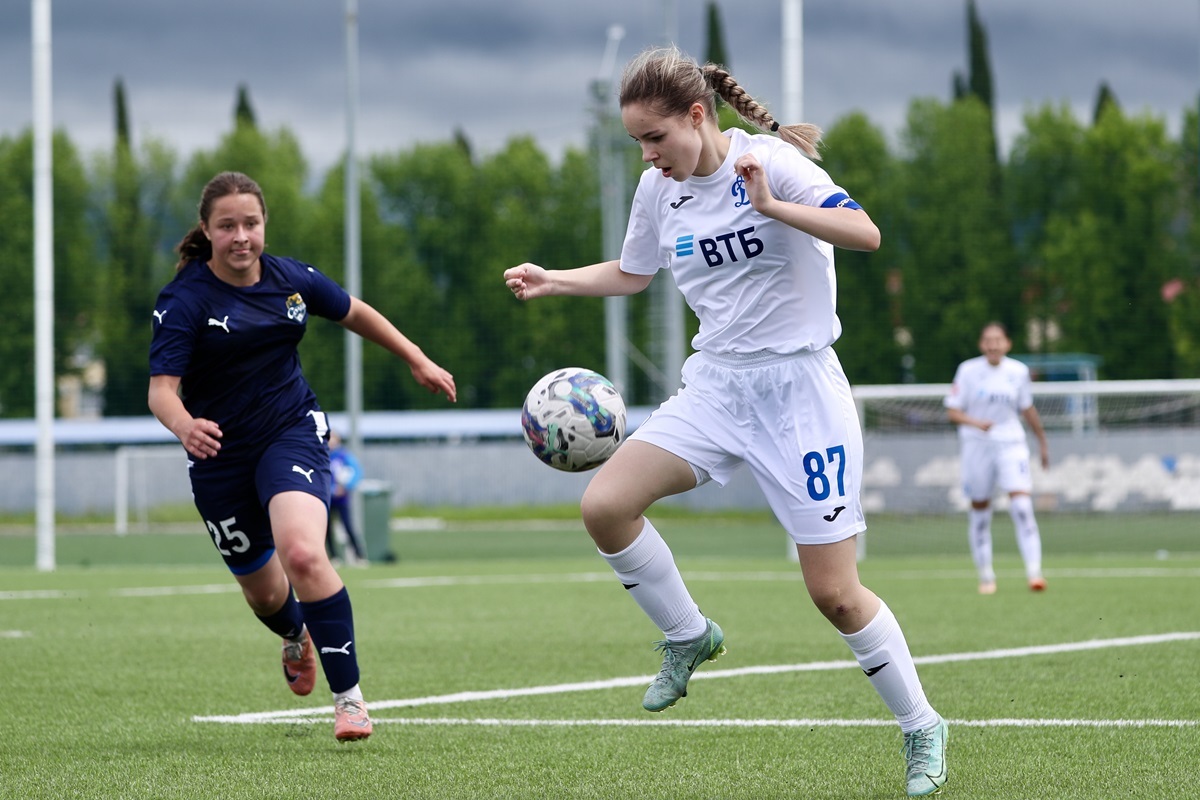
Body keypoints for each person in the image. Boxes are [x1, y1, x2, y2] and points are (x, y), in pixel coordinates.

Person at [503, 47, 947, 797]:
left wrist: (771, 205)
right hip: (717, 388)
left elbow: (865, 233)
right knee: (605, 505)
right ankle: (687, 635)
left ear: (698, 116)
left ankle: (922, 727)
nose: (648, 157)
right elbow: (635, 272)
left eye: (655, 138)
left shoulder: (770, 162)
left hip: (802, 392)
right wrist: (557, 280)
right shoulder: (659, 190)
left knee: (835, 593)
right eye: (637, 143)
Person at [148, 171, 456, 742]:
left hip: (291, 432)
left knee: (303, 555)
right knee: (264, 593)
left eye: (251, 223)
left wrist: (417, 357)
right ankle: (295, 633)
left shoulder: (290, 280)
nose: (241, 236)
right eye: (227, 226)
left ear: (264, 225)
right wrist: (184, 425)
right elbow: (161, 390)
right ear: (207, 231)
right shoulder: (185, 299)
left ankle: (350, 701)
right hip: (218, 455)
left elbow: (354, 311)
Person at [944, 322, 1049, 595]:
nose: (993, 345)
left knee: (1022, 506)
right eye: (988, 340)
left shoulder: (1018, 372)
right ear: (982, 345)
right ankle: (986, 575)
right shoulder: (968, 371)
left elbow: (1027, 408)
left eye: (998, 340)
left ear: (1007, 343)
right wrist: (975, 423)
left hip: (1011, 444)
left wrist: (1042, 442)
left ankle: (1034, 573)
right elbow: (952, 412)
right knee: (980, 512)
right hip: (977, 446)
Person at [326, 429, 368, 565]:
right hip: (327, 498)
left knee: (348, 527)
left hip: (342, 498)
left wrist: (345, 486)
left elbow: (356, 472)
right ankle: (334, 557)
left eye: (334, 438)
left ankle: (359, 556)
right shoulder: (323, 455)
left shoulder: (344, 456)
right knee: (327, 530)